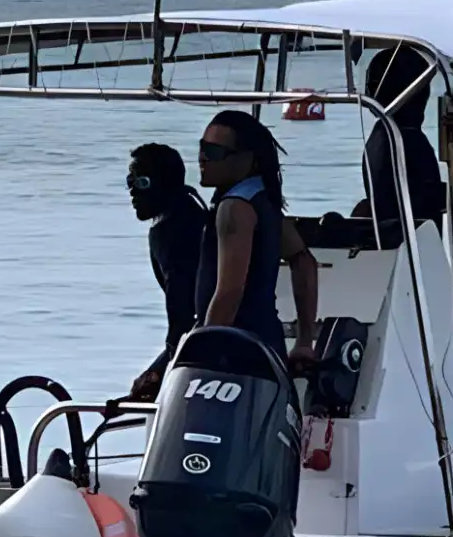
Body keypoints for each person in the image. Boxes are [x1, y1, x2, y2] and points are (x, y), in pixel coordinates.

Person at [196, 110, 319, 368]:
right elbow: (303, 260)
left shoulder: (234, 207)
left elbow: (229, 291)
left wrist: (203, 352)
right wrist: (304, 341)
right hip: (267, 344)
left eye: (215, 152)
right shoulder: (263, 200)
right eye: (202, 147)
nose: (203, 158)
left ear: (248, 159)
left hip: (234, 351)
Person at [358, 45, 453, 247]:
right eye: (421, 89)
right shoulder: (399, 139)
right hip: (411, 257)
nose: (425, 97)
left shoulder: (385, 135)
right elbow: (430, 198)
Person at [126, 143, 209, 401]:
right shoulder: (191, 211)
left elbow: (182, 313)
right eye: (130, 181)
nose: (132, 192)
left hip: (204, 337)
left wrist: (161, 371)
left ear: (166, 184)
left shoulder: (173, 231)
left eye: (142, 182)